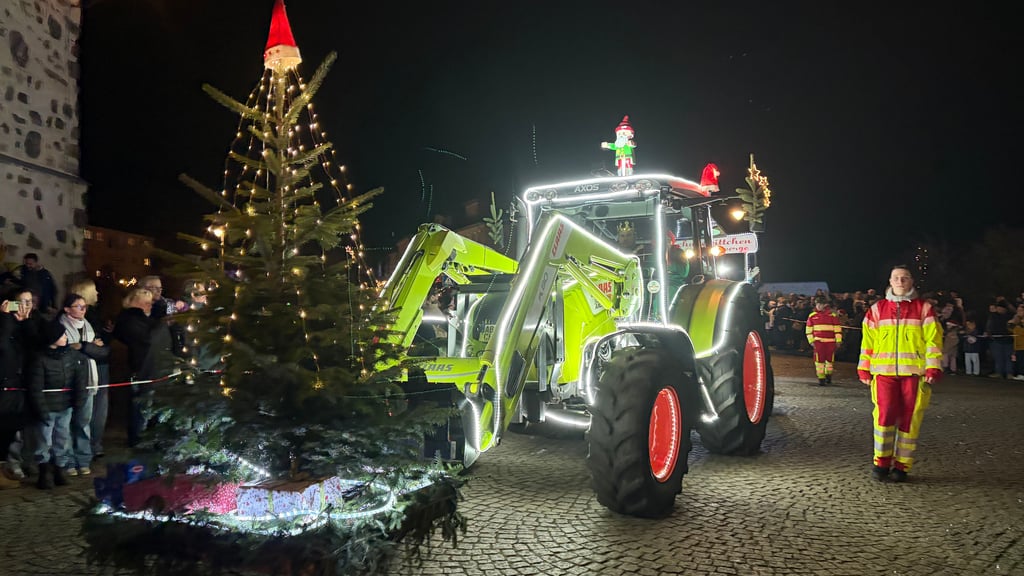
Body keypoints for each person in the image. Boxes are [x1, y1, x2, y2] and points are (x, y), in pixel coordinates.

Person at [858, 265, 942, 482]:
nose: (901, 281)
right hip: (883, 373)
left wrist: (933, 366)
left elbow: (933, 340)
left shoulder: (924, 309)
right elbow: (867, 342)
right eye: (897, 278)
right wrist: (864, 367)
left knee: (909, 419)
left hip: (914, 373)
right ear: (890, 281)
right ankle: (881, 462)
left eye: (905, 278)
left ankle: (902, 466)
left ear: (911, 282)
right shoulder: (877, 309)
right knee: (884, 416)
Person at [27, 321, 87, 489]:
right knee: (44, 440)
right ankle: (44, 471)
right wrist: (41, 410)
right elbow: (35, 387)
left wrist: (78, 400)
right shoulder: (39, 359)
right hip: (47, 407)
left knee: (62, 438)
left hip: (65, 405)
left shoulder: (70, 356)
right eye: (62, 335)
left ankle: (60, 468)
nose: (65, 337)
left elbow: (79, 380)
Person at [59, 293, 109, 475]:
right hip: (68, 381)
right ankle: (68, 461)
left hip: (88, 380)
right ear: (67, 309)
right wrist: (88, 347)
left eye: (84, 306)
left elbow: (102, 351)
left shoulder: (89, 327)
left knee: (83, 422)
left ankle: (83, 459)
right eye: (78, 306)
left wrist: (83, 346)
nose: (82, 310)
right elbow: (65, 352)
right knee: (65, 424)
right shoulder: (60, 326)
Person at [69, 279, 113, 459]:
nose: (97, 294)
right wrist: (91, 346)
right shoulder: (82, 318)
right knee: (89, 409)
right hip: (86, 366)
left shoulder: (95, 314)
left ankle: (93, 444)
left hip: (99, 364)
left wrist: (104, 337)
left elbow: (101, 346)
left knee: (99, 408)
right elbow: (76, 346)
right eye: (94, 290)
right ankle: (87, 446)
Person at [0, 290, 33, 489]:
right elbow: (2, 345)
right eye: (21, 302)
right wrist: (5, 319)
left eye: (29, 302)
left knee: (12, 429)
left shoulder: (24, 323)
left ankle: (8, 466)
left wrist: (25, 322)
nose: (25, 306)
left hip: (18, 383)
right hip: (4, 383)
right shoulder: (4, 323)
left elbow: (32, 344)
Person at [805, 296, 843, 386]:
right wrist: (811, 341)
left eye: (820, 304)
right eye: (817, 304)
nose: (818, 306)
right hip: (818, 342)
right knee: (819, 360)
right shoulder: (812, 316)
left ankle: (828, 375)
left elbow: (837, 330)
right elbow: (808, 330)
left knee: (830, 360)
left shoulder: (832, 316)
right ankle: (821, 378)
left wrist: (838, 341)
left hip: (831, 342)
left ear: (825, 305)